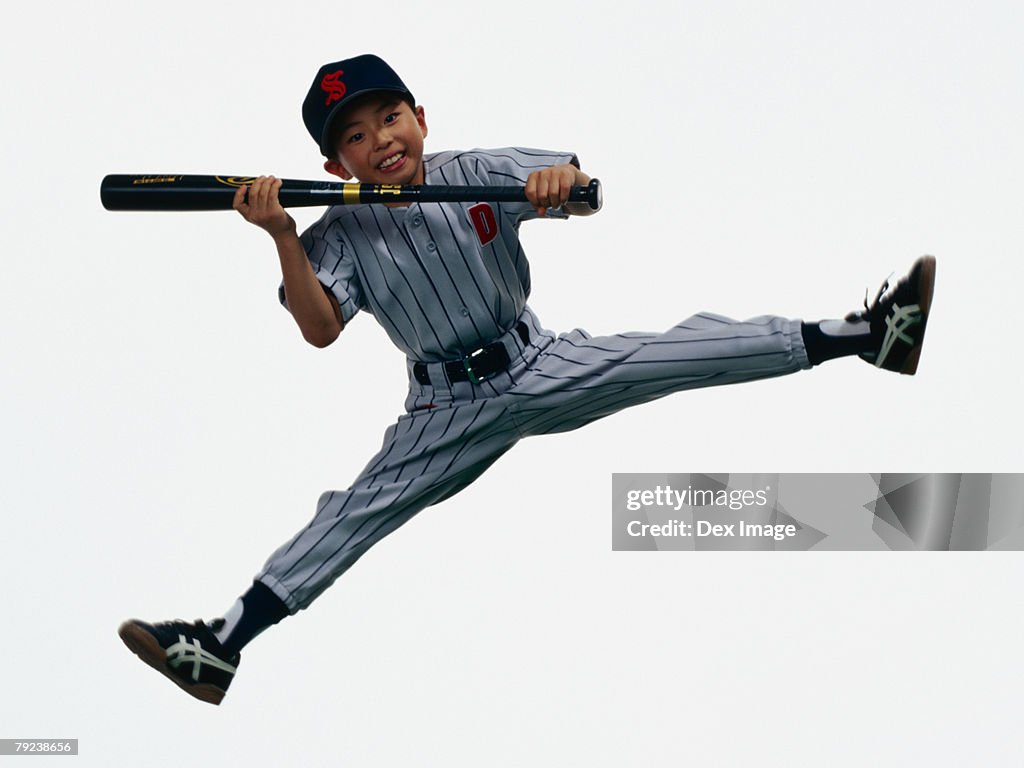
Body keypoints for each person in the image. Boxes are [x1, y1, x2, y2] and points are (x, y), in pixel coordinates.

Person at [118, 54, 936, 705]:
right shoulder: (338, 231)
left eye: (390, 116)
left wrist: (562, 188)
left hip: (536, 359)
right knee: (353, 512)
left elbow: (576, 186)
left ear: (420, 117)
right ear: (335, 163)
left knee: (677, 351)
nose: (382, 139)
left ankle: (870, 335)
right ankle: (221, 646)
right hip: (444, 404)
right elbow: (320, 329)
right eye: (357, 136)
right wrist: (281, 237)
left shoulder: (473, 169)